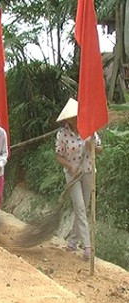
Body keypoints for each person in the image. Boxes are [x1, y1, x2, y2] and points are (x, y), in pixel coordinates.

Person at [55, 98, 102, 261]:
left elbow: (100, 148)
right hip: (72, 175)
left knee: (84, 207)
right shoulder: (62, 134)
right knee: (80, 208)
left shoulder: (89, 130)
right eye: (71, 117)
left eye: (76, 116)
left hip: (88, 171)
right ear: (67, 119)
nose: (74, 119)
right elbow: (59, 155)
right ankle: (87, 247)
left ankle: (73, 241)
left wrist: (93, 146)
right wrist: (70, 166)